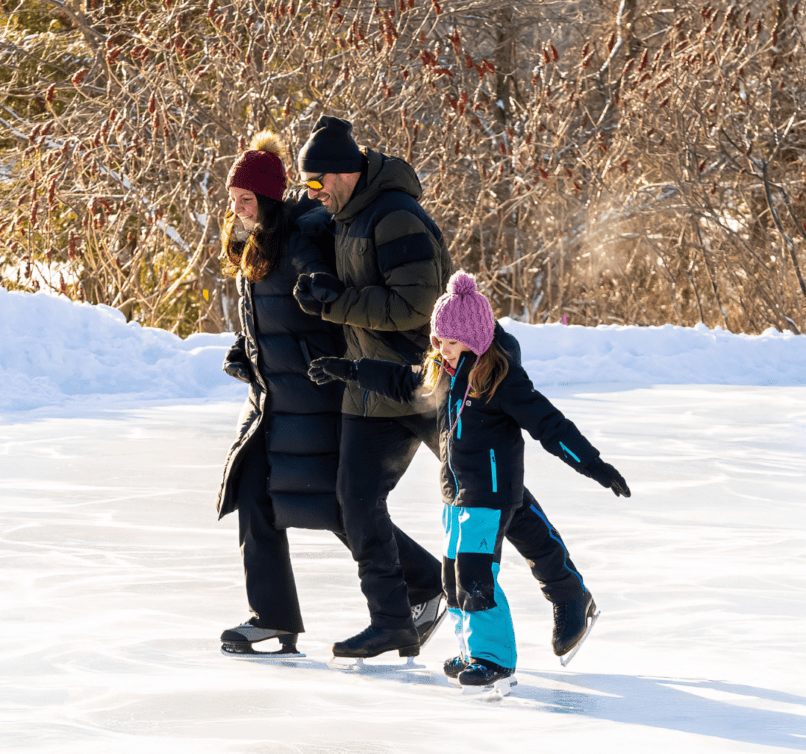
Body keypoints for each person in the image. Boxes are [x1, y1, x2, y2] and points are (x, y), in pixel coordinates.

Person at [293, 116, 625, 662]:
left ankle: (568, 593)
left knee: (495, 498)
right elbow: (304, 230)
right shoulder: (343, 215)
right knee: (355, 502)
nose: (312, 194)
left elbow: (417, 306)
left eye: (315, 182)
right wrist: (316, 275)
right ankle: (393, 619)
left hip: (433, 383)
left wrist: (337, 303)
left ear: (344, 172)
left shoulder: (396, 217)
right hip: (375, 388)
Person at [308, 271, 630, 687]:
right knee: (453, 577)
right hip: (455, 495)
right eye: (437, 340)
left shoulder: (501, 380)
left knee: (476, 578)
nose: (440, 348)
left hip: (489, 496)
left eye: (450, 342)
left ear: (474, 340)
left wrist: (594, 465)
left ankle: (494, 657)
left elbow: (550, 425)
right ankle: (470, 651)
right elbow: (403, 382)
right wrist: (351, 370)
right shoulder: (442, 372)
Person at [214, 130, 443, 656]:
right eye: (233, 198)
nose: (237, 208)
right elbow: (271, 313)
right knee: (253, 493)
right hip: (273, 397)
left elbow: (317, 294)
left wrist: (319, 294)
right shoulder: (257, 240)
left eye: (246, 199)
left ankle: (426, 581)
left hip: (314, 394)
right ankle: (272, 615)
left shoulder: (299, 238)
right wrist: (248, 349)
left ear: (270, 199)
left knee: (334, 504)